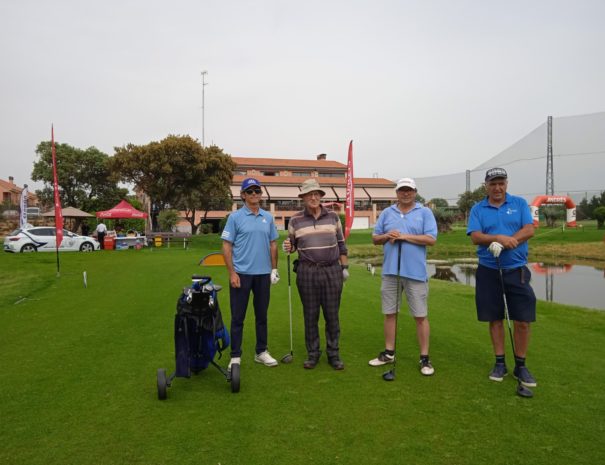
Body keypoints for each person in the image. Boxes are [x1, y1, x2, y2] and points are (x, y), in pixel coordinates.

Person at [467, 167, 537, 388]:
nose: (497, 187)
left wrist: (508, 240)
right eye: (493, 184)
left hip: (516, 269)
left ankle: (521, 365)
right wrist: (496, 237)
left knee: (523, 320)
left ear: (506, 184)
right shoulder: (478, 208)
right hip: (489, 270)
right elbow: (476, 236)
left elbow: (529, 229)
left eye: (501, 183)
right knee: (495, 318)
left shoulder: (519, 204)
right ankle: (500, 362)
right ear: (486, 185)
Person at [368, 178, 438, 376]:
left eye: (409, 190)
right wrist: (387, 236)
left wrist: (405, 236)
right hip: (391, 271)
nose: (405, 193)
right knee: (390, 313)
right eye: (402, 190)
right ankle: (389, 353)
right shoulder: (387, 213)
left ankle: (425, 358)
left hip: (415, 273)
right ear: (397, 193)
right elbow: (375, 238)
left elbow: (431, 239)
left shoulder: (424, 212)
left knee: (420, 316)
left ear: (415, 192)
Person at [283, 178, 348, 370]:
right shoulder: (295, 220)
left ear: (320, 196)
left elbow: (342, 245)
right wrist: (288, 246)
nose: (313, 197)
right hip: (307, 271)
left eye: (316, 194)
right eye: (309, 194)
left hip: (331, 270)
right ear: (303, 197)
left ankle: (333, 354)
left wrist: (345, 269)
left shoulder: (334, 217)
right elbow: (292, 245)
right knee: (310, 315)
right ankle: (313, 354)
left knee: (332, 315)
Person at [221, 178, 280, 370]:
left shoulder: (268, 217)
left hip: (263, 275)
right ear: (243, 195)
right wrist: (232, 273)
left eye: (258, 191)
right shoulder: (235, 217)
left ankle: (261, 352)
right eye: (250, 191)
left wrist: (274, 269)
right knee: (238, 317)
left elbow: (273, 244)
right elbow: (226, 246)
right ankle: (235, 356)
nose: (255, 194)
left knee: (261, 316)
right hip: (241, 274)